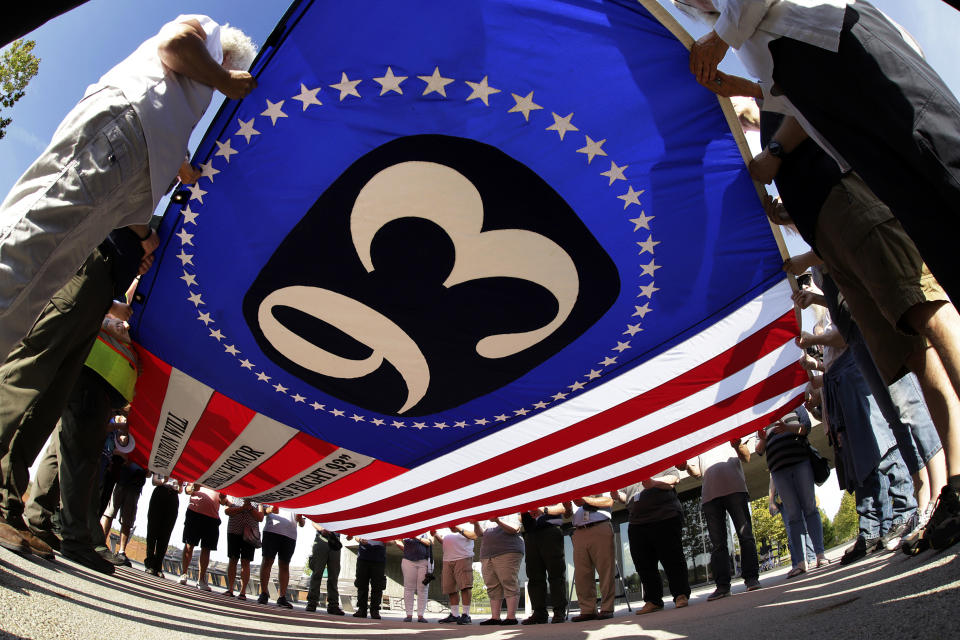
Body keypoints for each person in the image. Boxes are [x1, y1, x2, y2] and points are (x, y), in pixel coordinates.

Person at [680, 0, 960, 551]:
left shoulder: (756, 27)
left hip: (853, 193)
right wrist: (738, 82)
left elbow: (797, 107)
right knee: (909, 349)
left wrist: (775, 146)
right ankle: (952, 482)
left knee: (929, 313)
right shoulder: (759, 55)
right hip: (831, 220)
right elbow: (794, 98)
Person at [0, 15, 257, 358]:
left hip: (131, 161)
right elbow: (175, 44)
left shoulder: (189, 90)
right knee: (36, 236)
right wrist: (223, 78)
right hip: (123, 127)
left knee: (46, 274)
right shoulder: (206, 35)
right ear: (228, 58)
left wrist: (182, 167)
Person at [0, 230, 153, 558]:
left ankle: (12, 509)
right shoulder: (149, 193)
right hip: (89, 274)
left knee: (46, 412)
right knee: (27, 387)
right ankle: (9, 506)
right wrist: (146, 236)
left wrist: (132, 266)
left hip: (102, 289)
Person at [20, 312, 143, 574]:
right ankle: (76, 537)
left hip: (88, 367)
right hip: (97, 371)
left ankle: (39, 519)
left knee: (60, 448)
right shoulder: (128, 290)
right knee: (81, 456)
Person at [686, 439, 762, 599]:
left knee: (745, 536)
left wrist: (736, 445)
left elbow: (746, 457)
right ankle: (722, 586)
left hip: (735, 489)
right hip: (710, 496)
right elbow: (697, 473)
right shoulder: (698, 436)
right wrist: (685, 466)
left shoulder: (729, 424)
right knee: (717, 544)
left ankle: (751, 578)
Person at [756, 411, 827, 578]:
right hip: (778, 469)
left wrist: (788, 428)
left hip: (800, 460)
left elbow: (806, 428)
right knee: (793, 514)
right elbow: (759, 450)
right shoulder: (761, 414)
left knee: (810, 507)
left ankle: (820, 555)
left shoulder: (795, 404)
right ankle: (801, 563)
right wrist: (764, 438)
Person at [617, 468, 691, 615]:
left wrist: (653, 482)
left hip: (664, 516)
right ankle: (653, 600)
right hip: (637, 522)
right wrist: (616, 494)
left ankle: (680, 594)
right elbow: (627, 497)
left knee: (672, 559)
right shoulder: (628, 470)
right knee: (643, 564)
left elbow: (673, 479)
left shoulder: (659, 460)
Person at [566, 495, 615, 622]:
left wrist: (585, 500)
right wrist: (568, 507)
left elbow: (609, 501)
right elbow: (567, 515)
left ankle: (607, 608)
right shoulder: (572, 488)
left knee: (605, 569)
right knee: (582, 574)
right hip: (579, 530)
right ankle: (588, 610)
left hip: (599, 526)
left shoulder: (596, 480)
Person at [519, 505, 568, 624]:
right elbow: (520, 518)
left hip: (550, 530)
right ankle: (539, 612)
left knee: (555, 573)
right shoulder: (526, 493)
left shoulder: (552, 488)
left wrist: (544, 510)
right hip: (531, 533)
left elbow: (564, 508)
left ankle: (559, 611)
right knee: (534, 575)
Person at [473, 514, 524, 625]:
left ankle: (511, 617)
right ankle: (495, 617)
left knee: (508, 581)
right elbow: (480, 533)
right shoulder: (486, 514)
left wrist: (498, 521)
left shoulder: (511, 511)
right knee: (492, 585)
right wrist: (476, 523)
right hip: (487, 554)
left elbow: (514, 529)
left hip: (508, 550)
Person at [178, 483, 225, 590]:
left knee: (206, 549)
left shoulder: (222, 480)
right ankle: (183, 574)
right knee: (189, 545)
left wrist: (223, 498)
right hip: (194, 513)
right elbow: (187, 490)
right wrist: (194, 487)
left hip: (212, 518)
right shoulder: (200, 473)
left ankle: (201, 580)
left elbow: (223, 502)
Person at [257, 505, 302, 608]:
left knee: (285, 565)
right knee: (267, 560)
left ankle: (282, 597)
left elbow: (302, 523)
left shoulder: (299, 494)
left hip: (290, 535)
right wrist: (270, 510)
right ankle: (263, 593)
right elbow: (262, 511)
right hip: (272, 530)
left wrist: (300, 520)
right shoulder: (273, 490)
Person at [433, 523, 477, 625]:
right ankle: (454, 615)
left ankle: (466, 615)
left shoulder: (468, 522)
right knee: (450, 588)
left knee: (465, 586)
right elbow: (444, 542)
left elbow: (474, 536)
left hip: (463, 556)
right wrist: (435, 534)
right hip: (447, 559)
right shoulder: (446, 524)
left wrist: (459, 528)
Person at [223, 497, 262, 599]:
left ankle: (243, 592)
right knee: (233, 559)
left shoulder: (259, 499)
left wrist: (249, 508)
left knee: (246, 561)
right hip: (233, 530)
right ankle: (230, 589)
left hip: (250, 534)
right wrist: (242, 508)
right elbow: (227, 511)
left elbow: (260, 517)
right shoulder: (234, 496)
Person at [144, 474, 181, 577]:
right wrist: (164, 481)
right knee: (152, 529)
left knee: (166, 533)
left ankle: (158, 566)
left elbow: (181, 490)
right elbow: (154, 481)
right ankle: (150, 564)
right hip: (160, 492)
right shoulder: (163, 463)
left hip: (173, 496)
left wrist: (180, 486)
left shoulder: (181, 469)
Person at [305, 523, 345, 615]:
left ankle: (333, 605)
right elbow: (313, 520)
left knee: (334, 575)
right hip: (321, 538)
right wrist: (321, 529)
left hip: (335, 541)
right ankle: (312, 602)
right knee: (317, 572)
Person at [393, 532, 434, 623]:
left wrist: (416, 537)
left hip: (423, 561)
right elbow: (397, 540)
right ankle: (409, 615)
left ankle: (420, 615)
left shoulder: (427, 530)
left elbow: (430, 542)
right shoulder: (406, 528)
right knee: (408, 588)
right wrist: (407, 550)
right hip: (408, 560)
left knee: (423, 588)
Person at [351, 537, 387, 619]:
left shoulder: (385, 526)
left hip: (379, 559)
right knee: (361, 585)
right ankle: (361, 609)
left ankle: (375, 610)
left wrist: (387, 541)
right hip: (363, 558)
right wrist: (360, 540)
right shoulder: (362, 524)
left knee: (378, 586)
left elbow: (393, 541)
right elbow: (356, 536)